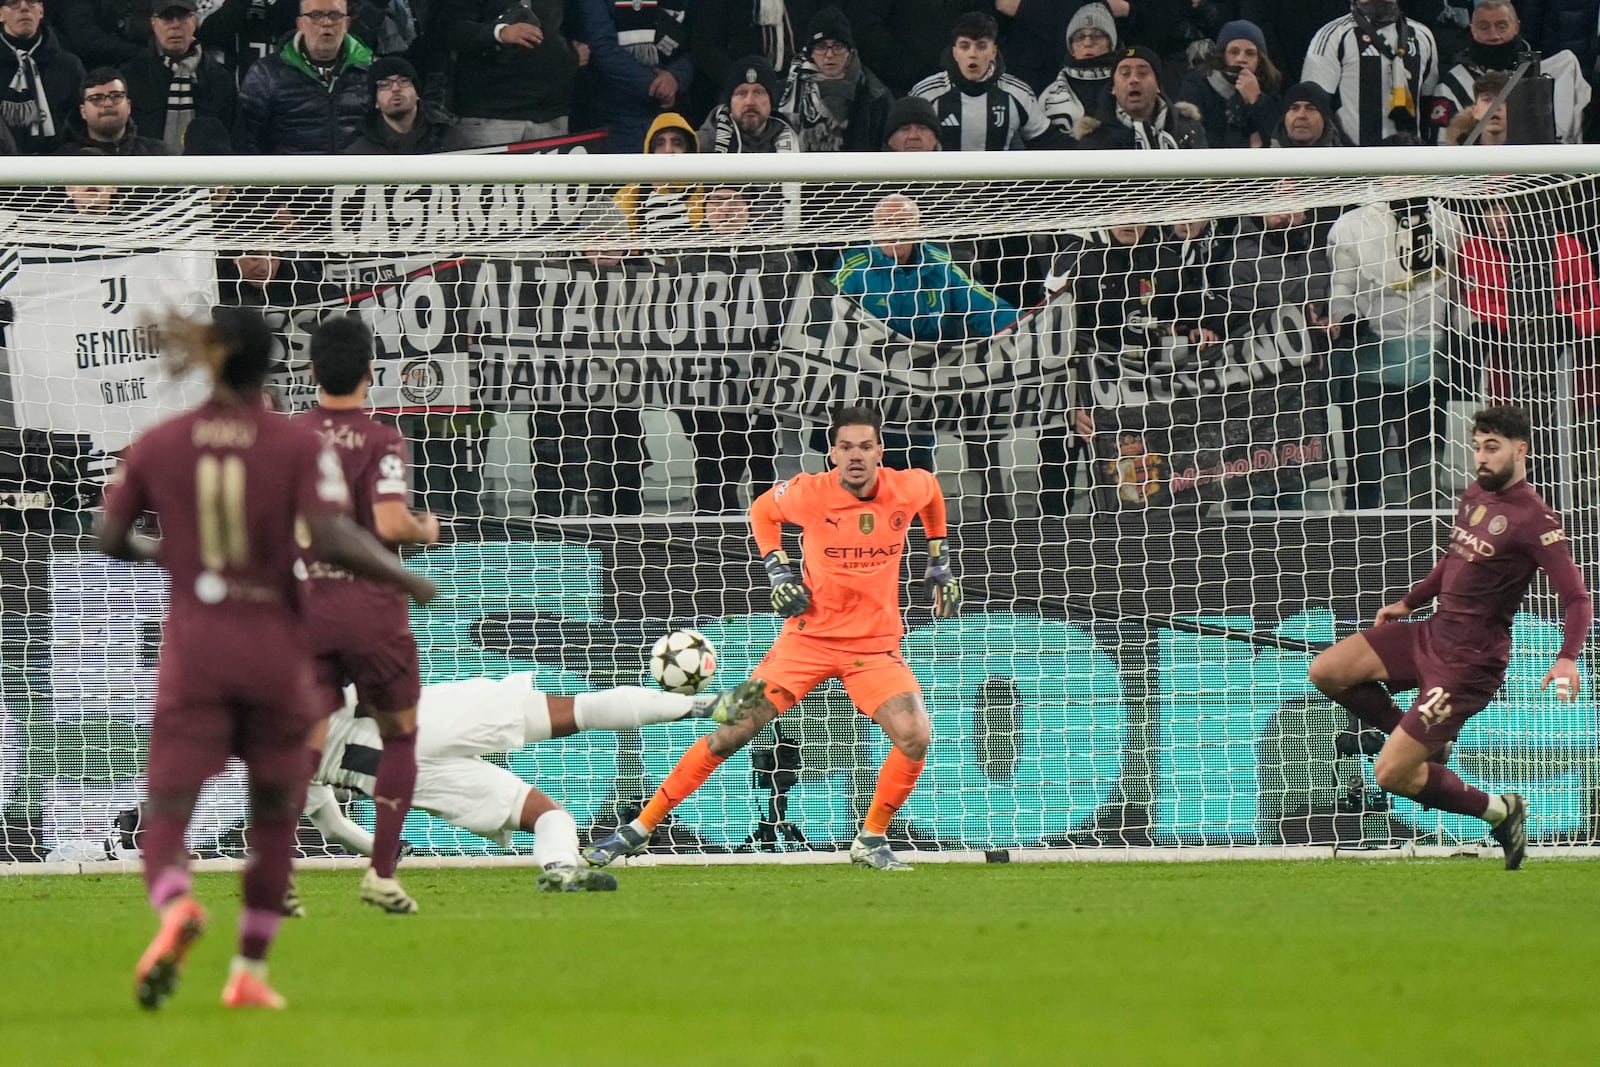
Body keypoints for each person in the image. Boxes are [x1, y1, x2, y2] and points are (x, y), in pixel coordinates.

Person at [98, 307, 435, 1010]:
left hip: (201, 650)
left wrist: (174, 556)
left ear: (208, 360)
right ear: (273, 366)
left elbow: (108, 534)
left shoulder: (161, 442)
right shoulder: (290, 445)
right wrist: (405, 575)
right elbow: (334, 531)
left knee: (166, 809)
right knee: (278, 809)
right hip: (275, 649)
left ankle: (175, 904)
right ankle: (249, 969)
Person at [585, 403, 961, 872]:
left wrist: (938, 559)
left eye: (866, 446)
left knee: (914, 734)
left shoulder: (908, 485)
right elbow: (762, 510)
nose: (856, 456)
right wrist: (776, 570)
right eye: (846, 447)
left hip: (873, 646)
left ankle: (871, 839)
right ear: (833, 453)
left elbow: (932, 497)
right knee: (732, 732)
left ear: (880, 451)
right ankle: (639, 829)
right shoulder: (809, 493)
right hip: (806, 642)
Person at [1307, 406, 1591, 871]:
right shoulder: (1476, 493)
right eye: (1477, 446)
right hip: (1432, 632)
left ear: (1521, 451)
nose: (1480, 457)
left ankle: (1500, 810)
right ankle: (1423, 740)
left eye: (1492, 447)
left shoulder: (1535, 520)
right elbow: (1454, 559)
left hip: (1467, 664)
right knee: (1327, 670)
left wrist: (1567, 658)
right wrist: (1410, 602)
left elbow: (1577, 598)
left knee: (1391, 773)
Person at [301, 672, 766, 889]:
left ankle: (560, 870)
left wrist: (384, 850)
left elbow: (332, 825)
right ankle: (705, 707)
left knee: (548, 815)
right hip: (424, 722)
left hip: (404, 778)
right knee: (580, 711)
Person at [292, 314, 440, 915]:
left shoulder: (290, 438)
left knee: (303, 740)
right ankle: (381, 872)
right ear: (372, 374)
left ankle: (276, 871)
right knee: (400, 735)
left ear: (311, 372)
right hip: (373, 611)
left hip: (307, 607)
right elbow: (388, 522)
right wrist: (426, 527)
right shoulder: (381, 440)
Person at [1432, 0, 1590, 145]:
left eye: (1501, 26)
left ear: (1516, 27)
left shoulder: (1552, 74)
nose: (1493, 35)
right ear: (1472, 29)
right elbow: (1443, 145)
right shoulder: (1453, 84)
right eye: (1484, 27)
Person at [235, 0, 374, 154]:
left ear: (347, 23)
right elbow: (247, 139)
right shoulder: (265, 74)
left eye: (335, 15)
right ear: (300, 23)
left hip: (357, 175)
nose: (326, 22)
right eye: (316, 15)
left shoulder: (370, 70)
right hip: (289, 176)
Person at [909, 11, 1062, 151]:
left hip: (998, 182)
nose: (972, 54)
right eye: (964, 46)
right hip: (941, 181)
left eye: (981, 46)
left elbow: (1048, 142)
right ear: (954, 52)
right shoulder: (925, 94)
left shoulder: (1017, 93)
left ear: (993, 52)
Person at [441, 0, 581, 151]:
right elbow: (449, 29)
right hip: (491, 116)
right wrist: (498, 33)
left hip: (552, 113)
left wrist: (570, 55)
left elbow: (571, 25)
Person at [1301, 0, 1439, 146]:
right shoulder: (1333, 36)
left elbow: (1428, 105)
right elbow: (1313, 106)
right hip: (1352, 162)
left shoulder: (1423, 36)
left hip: (1409, 161)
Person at [119, 0, 237, 155]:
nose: (175, 25)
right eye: (167, 18)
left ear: (195, 21)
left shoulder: (221, 79)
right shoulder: (130, 76)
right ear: (153, 23)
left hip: (207, 176)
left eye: (182, 17)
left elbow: (237, 140)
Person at [777, 7, 893, 152]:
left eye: (838, 46)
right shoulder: (785, 92)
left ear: (849, 51)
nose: (830, 54)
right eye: (821, 46)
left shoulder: (875, 95)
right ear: (810, 52)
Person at [1074, 45, 1207, 149]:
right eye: (1125, 74)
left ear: (1158, 86)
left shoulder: (1189, 129)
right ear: (1113, 88)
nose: (1134, 80)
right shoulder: (1095, 141)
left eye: (1142, 73)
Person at [1178, 19, 1283, 148]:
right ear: (1222, 55)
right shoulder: (1198, 85)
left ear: (1260, 59)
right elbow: (1192, 137)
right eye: (1234, 52)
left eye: (1250, 53)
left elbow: (1278, 137)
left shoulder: (1270, 87)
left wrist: (1257, 100)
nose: (1241, 59)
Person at [0, 0, 86, 154]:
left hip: (59, 166)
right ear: (1, 14)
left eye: (32, 2)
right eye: (13, 3)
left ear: (41, 11)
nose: (24, 7)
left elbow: (80, 124)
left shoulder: (69, 66)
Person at [1038, 1, 1120, 141]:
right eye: (1080, 37)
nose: (1087, 43)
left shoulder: (1126, 85)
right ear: (1071, 46)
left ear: (1110, 43)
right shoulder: (1048, 97)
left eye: (1096, 36)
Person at [344, 55, 455, 153]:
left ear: (417, 93)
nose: (395, 89)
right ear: (376, 102)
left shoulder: (451, 137)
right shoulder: (359, 154)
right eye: (384, 84)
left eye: (403, 81)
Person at [698, 54, 803, 153]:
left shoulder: (795, 144)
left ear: (771, 101)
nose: (749, 102)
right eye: (741, 93)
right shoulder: (699, 146)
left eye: (758, 92)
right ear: (729, 103)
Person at [55, 67, 170, 154]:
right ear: (83, 111)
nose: (108, 104)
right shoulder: (62, 160)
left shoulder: (159, 154)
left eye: (116, 96)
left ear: (128, 106)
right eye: (96, 98)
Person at [1268, 79, 1350, 146]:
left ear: (1324, 119)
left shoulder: (1351, 161)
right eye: (1294, 108)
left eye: (1311, 108)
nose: (1301, 115)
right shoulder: (1263, 161)